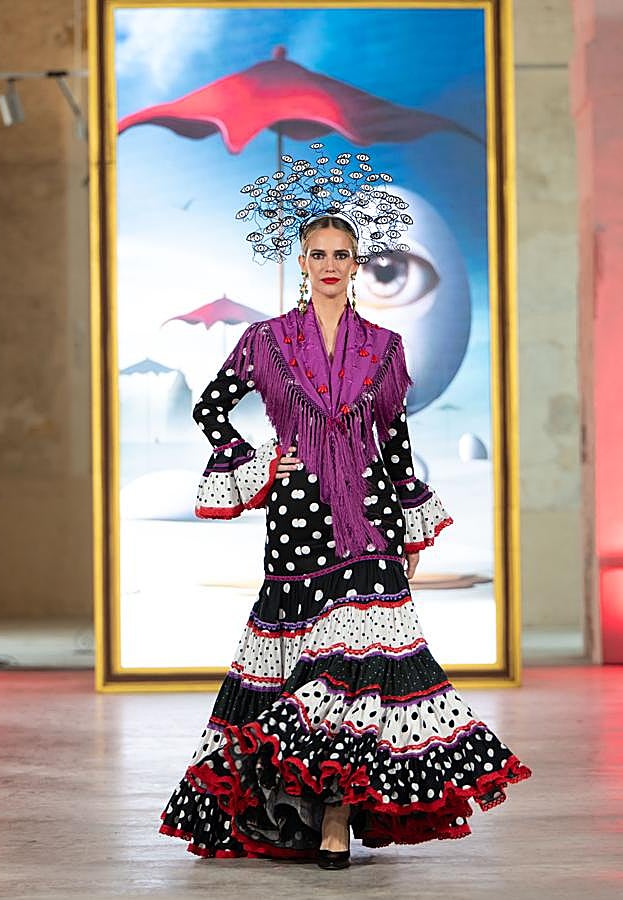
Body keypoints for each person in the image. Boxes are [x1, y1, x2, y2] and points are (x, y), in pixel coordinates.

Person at [159, 147, 531, 869]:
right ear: (300, 262)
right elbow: (210, 408)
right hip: (296, 523)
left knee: (364, 670)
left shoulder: (385, 348)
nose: (329, 264)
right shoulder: (263, 341)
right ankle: (294, 811)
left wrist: (413, 522)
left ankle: (335, 819)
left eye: (342, 254)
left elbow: (393, 438)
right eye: (318, 252)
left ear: (357, 265)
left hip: (371, 519)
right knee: (303, 670)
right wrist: (264, 463)